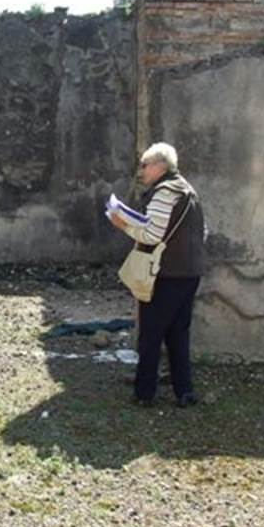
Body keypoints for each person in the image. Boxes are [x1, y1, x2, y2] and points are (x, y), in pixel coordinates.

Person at [107, 142, 206, 407]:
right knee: (178, 333)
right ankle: (184, 391)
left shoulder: (165, 192)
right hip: (190, 272)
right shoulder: (188, 190)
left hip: (166, 273)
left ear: (160, 166)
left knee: (151, 333)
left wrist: (123, 224)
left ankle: (145, 392)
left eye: (145, 165)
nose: (141, 171)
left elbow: (151, 235)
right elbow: (200, 233)